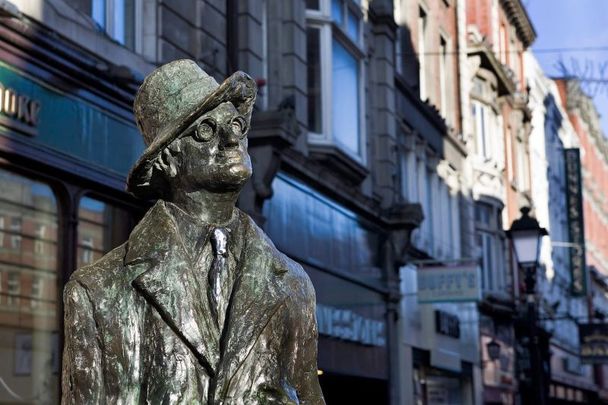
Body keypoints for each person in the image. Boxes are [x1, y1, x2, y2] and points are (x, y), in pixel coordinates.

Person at [61, 59, 325, 404]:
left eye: (236, 124)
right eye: (205, 130)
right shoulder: (97, 292)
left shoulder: (293, 283)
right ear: (167, 160)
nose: (233, 138)